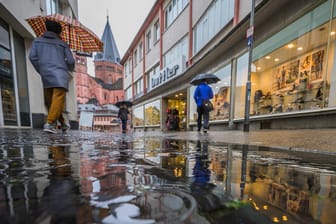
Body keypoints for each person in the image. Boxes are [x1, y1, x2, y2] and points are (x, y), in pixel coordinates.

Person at [29, 20, 75, 134]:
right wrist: (68, 66)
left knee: (53, 102)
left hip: (46, 75)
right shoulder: (62, 44)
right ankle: (49, 123)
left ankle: (63, 124)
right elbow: (71, 61)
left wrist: (41, 70)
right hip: (60, 74)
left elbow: (32, 57)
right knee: (58, 99)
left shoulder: (37, 41)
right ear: (58, 32)